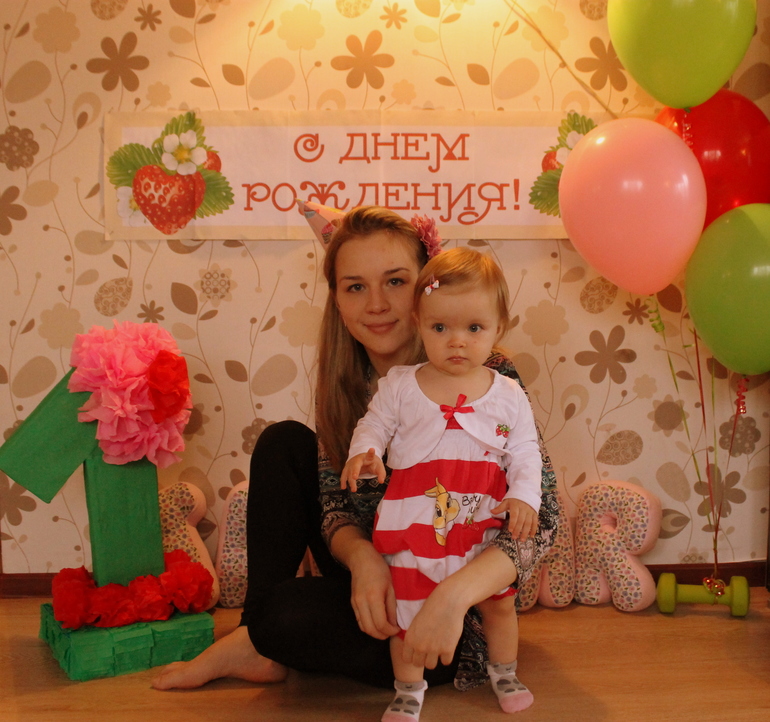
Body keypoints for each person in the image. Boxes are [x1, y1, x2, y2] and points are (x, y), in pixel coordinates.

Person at [151, 207, 559, 710]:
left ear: (425, 288)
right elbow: (335, 506)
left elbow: (541, 520)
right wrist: (364, 561)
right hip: (388, 573)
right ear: (338, 300)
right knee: (283, 443)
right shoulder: (350, 384)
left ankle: (269, 638)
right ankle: (253, 641)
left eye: (396, 281)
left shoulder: (486, 375)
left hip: (449, 612)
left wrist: (451, 597)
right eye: (355, 287)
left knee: (288, 616)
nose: (377, 304)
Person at [341, 247, 542, 719]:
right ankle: (408, 689)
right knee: (405, 612)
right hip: (416, 525)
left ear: (498, 328)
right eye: (439, 328)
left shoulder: (507, 393)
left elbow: (525, 452)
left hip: (480, 522)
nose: (457, 342)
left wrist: (523, 497)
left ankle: (505, 670)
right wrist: (363, 453)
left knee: (499, 606)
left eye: (474, 328)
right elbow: (373, 425)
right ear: (418, 323)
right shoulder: (400, 385)